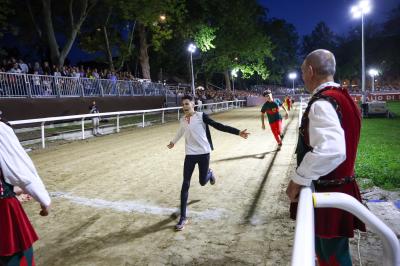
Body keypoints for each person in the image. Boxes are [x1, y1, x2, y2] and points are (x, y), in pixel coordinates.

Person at [286, 49, 366, 265]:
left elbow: (332, 150)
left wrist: (298, 179)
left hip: (329, 191)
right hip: (338, 187)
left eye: (303, 72)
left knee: (332, 257)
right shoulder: (345, 98)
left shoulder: (322, 103)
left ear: (310, 71)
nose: (302, 77)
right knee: (328, 254)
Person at [167, 95, 249, 231]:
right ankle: (183, 217)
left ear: (193, 104)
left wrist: (238, 132)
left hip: (204, 153)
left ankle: (209, 173)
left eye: (187, 104)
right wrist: (173, 142)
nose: (185, 106)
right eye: (183, 104)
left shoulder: (201, 116)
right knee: (185, 184)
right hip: (190, 155)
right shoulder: (182, 120)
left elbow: (218, 126)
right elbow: (180, 132)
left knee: (202, 182)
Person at [0, 119, 51, 266]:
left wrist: (12, 190)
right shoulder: (2, 128)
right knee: (18, 254)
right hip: (4, 209)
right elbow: (22, 170)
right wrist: (44, 200)